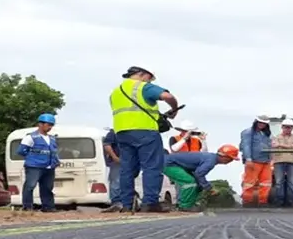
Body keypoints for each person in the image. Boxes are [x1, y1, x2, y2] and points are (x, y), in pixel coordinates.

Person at [109, 65, 179, 213]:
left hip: (122, 132)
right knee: (151, 167)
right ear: (141, 74)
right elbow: (168, 97)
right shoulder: (142, 87)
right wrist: (174, 109)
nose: (150, 81)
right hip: (145, 131)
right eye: (149, 78)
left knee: (127, 169)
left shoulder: (115, 92)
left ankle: (127, 204)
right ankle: (150, 203)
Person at [162, 145, 239, 212]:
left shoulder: (211, 158)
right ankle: (185, 206)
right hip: (169, 164)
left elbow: (198, 175)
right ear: (225, 157)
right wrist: (209, 188)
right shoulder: (210, 161)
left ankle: (190, 204)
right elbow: (199, 174)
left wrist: (204, 186)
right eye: (231, 159)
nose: (231, 161)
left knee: (197, 183)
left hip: (172, 163)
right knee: (189, 182)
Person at [16, 113, 60, 213]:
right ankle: (27, 207)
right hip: (34, 166)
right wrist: (33, 157)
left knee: (47, 187)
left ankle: (48, 207)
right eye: (48, 124)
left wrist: (56, 161)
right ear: (40, 124)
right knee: (30, 186)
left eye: (51, 125)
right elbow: (21, 151)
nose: (50, 127)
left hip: (49, 167)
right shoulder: (31, 137)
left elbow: (54, 151)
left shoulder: (52, 138)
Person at [240, 115, 272, 206]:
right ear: (256, 122)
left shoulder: (266, 134)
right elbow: (246, 146)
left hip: (266, 161)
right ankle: (247, 201)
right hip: (254, 161)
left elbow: (270, 146)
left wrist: (271, 159)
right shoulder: (248, 132)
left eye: (264, 123)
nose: (262, 124)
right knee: (249, 182)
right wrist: (248, 159)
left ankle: (263, 201)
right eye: (260, 122)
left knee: (266, 183)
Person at [270, 118, 293, 207]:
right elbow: (274, 145)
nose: (288, 129)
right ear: (282, 127)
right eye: (286, 127)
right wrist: (290, 147)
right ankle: (279, 201)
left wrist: (281, 145)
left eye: (290, 127)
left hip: (292, 162)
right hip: (279, 161)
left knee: (292, 182)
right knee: (279, 182)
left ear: (292, 128)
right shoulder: (276, 137)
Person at [102, 128, 123, 212]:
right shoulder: (113, 132)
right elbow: (107, 145)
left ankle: (123, 202)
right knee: (116, 182)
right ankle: (116, 202)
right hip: (117, 161)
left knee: (122, 181)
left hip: (127, 161)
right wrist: (114, 157)